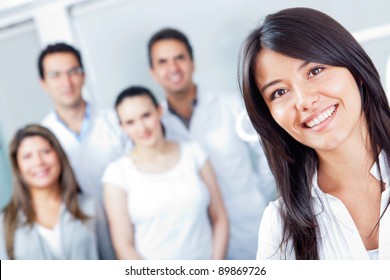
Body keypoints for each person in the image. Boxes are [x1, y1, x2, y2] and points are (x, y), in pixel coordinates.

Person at [240, 7, 390, 260]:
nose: (303, 101)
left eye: (315, 71)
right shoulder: (279, 228)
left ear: (356, 70)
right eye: (279, 92)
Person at [147, 28, 276, 259]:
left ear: (192, 63)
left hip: (248, 223)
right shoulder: (153, 124)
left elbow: (269, 154)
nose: (173, 68)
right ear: (153, 72)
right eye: (163, 62)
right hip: (197, 241)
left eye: (179, 58)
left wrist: (256, 195)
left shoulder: (231, 106)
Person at [102, 86, 228, 259]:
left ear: (159, 111)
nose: (142, 128)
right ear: (122, 127)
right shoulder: (117, 174)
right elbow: (123, 245)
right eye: (130, 122)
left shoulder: (193, 153)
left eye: (146, 116)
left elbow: (219, 217)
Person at [38, 42, 129, 259]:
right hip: (82, 245)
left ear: (84, 76)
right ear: (43, 83)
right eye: (55, 75)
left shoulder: (116, 121)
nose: (66, 82)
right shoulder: (42, 138)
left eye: (73, 72)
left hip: (132, 232)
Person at [0, 124, 99, 260]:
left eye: (46, 151)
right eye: (27, 156)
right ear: (18, 167)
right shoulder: (5, 221)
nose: (39, 162)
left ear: (59, 155)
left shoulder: (90, 206)